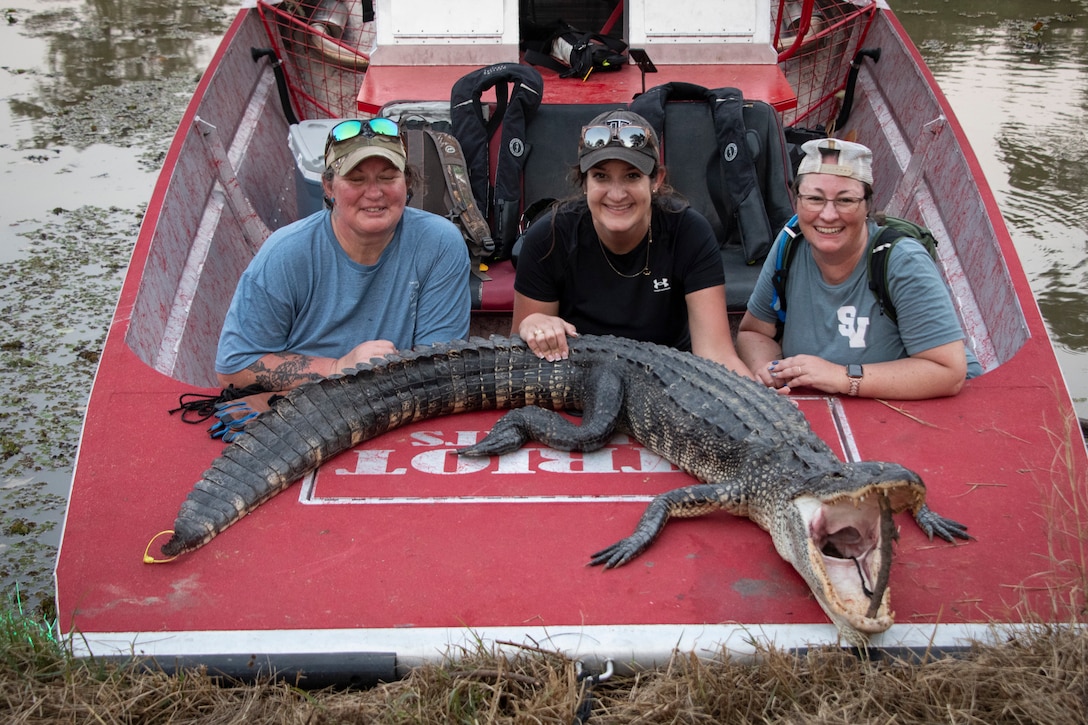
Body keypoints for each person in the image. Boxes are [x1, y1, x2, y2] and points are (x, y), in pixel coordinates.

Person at [209, 118, 471, 439]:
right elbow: (232, 369)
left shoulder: (441, 243)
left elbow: (438, 369)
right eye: (356, 179)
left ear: (407, 182)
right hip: (296, 412)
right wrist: (338, 368)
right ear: (329, 187)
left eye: (388, 177)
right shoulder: (286, 252)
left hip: (394, 410)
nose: (374, 193)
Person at [512, 109, 752, 378]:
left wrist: (759, 404)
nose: (616, 194)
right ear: (584, 181)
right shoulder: (548, 237)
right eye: (601, 176)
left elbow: (716, 353)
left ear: (656, 180)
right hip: (578, 382)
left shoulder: (689, 232)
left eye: (632, 176)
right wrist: (536, 325)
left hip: (671, 385)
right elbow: (523, 358)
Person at [737, 137, 980, 399]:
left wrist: (842, 376)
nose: (828, 215)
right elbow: (752, 332)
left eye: (845, 201)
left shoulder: (903, 261)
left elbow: (948, 373)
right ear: (797, 201)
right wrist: (769, 371)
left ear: (867, 206)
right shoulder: (790, 243)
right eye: (814, 199)